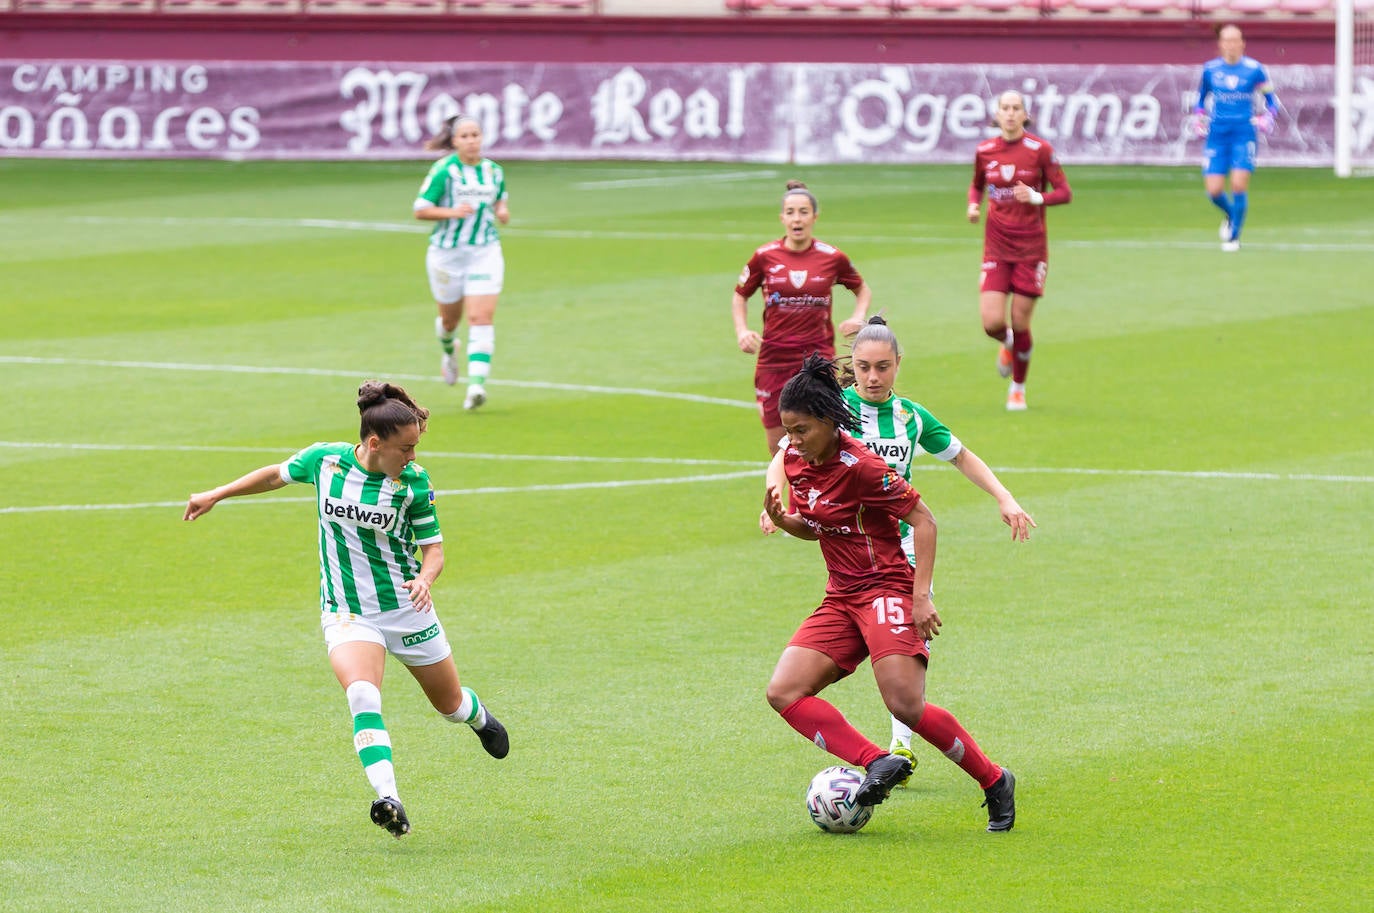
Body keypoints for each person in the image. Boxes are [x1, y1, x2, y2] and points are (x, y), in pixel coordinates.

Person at [183, 380, 509, 839]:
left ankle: (478, 718)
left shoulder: (414, 484)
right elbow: (276, 474)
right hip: (347, 611)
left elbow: (434, 549)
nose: (412, 457)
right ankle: (388, 797)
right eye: (406, 448)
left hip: (406, 609)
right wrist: (216, 493)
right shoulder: (326, 460)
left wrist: (425, 577)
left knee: (449, 705)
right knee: (361, 693)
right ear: (374, 443)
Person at [761, 354, 1016, 831]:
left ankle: (995, 780)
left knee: (904, 704)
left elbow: (924, 520)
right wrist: (784, 521)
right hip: (841, 595)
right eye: (786, 431)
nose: (790, 442)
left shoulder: (862, 466)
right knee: (784, 692)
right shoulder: (797, 462)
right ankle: (879, 761)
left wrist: (921, 598)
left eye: (800, 430)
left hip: (886, 589)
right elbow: (816, 529)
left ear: (828, 421)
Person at [733, 179, 872, 456]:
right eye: (791, 212)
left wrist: (858, 317)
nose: (797, 218)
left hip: (816, 360)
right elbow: (740, 295)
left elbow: (861, 289)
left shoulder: (832, 257)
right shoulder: (764, 256)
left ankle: (820, 499)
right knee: (780, 449)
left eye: (804, 212)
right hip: (774, 359)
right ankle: (789, 500)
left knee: (824, 443)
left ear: (815, 217)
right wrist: (742, 330)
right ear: (782, 217)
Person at [967, 90, 1072, 412]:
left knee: (1020, 320)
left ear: (1025, 114)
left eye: (1016, 108)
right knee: (992, 323)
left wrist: (1038, 197)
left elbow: (1065, 192)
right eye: (1005, 108)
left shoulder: (1039, 150)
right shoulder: (985, 150)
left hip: (1031, 250)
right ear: (997, 115)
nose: (1010, 114)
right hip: (996, 248)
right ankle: (1009, 343)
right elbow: (977, 184)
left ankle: (1018, 388)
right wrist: (974, 205)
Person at [415, 114, 510, 411]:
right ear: (454, 141)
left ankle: (476, 386)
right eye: (465, 136)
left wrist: (503, 211)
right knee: (449, 320)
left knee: (480, 317)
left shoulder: (494, 171)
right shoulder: (445, 171)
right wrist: (452, 212)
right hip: (447, 254)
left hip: (485, 251)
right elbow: (421, 209)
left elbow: (499, 200)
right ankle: (448, 351)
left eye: (475, 134)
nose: (471, 140)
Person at [1190, 23, 1279, 253]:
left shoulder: (1254, 69)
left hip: (1243, 134)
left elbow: (1272, 101)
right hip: (1217, 134)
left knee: (1239, 184)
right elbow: (1201, 100)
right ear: (1220, 44)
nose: (1231, 45)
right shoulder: (1210, 70)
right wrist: (1199, 118)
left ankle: (1234, 238)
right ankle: (1231, 214)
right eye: (1226, 40)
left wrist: (1267, 118)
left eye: (1235, 40)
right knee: (1214, 190)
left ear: (1242, 43)